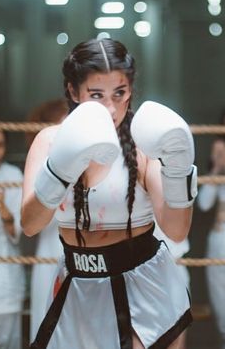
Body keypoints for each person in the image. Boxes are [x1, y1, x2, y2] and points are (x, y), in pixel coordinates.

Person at [21, 38, 198, 349]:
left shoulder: (143, 144)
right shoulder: (50, 141)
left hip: (145, 285)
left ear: (131, 90)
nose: (111, 107)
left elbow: (177, 229)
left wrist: (179, 169)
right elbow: (31, 224)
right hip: (79, 279)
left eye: (120, 93)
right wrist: (60, 169)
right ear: (74, 91)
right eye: (96, 95)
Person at [26, 99, 69, 341]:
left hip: (84, 253)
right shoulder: (39, 166)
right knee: (47, 322)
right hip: (50, 250)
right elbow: (29, 223)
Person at [197, 104, 225, 349]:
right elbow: (205, 204)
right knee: (223, 317)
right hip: (219, 242)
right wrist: (217, 166)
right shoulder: (220, 154)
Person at [0, 128, 25, 349]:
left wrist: (3, 208)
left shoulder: (13, 176)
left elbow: (18, 231)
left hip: (5, 275)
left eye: (0, 145)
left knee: (8, 342)